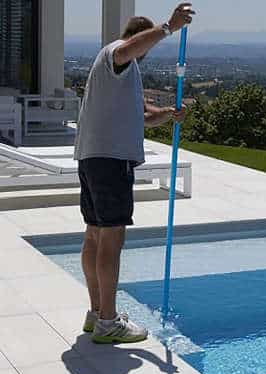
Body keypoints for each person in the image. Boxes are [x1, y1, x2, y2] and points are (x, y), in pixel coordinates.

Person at [74, 3, 195, 344]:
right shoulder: (116, 53)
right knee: (111, 239)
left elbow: (144, 116)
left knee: (95, 235)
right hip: (111, 162)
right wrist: (168, 27)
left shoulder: (119, 72)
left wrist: (170, 114)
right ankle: (109, 321)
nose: (141, 56)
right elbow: (128, 49)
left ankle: (97, 313)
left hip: (93, 159)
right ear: (137, 38)